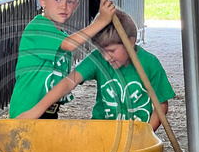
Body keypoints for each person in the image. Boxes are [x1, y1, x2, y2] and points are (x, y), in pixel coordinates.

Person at [17, 8, 175, 131]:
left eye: (112, 51)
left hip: (136, 132)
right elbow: (68, 83)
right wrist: (36, 110)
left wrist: (146, 133)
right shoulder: (97, 60)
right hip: (101, 131)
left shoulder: (150, 64)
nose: (106, 57)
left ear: (131, 42)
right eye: (102, 51)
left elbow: (161, 105)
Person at [9, 0, 115, 119]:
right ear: (43, 1)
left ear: (76, 5)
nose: (63, 6)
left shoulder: (61, 36)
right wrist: (101, 21)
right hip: (27, 110)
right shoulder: (38, 27)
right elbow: (70, 44)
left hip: (49, 109)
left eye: (70, 1)